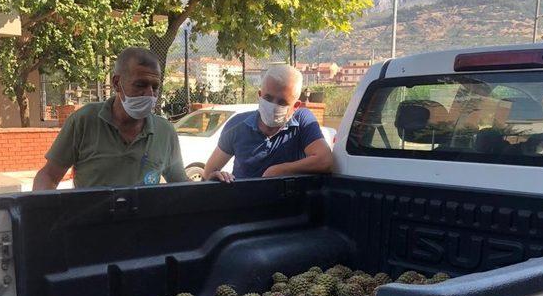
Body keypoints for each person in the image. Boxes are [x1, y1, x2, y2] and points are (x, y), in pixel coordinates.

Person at [33, 47, 187, 190]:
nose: (149, 94)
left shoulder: (165, 131)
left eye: (155, 87)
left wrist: (210, 184)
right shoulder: (84, 121)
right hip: (93, 219)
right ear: (116, 83)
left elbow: (181, 184)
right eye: (140, 85)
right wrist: (40, 210)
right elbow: (49, 176)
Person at [203, 64, 333, 183]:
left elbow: (324, 160)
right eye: (268, 98)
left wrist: (280, 170)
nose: (273, 105)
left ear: (296, 106)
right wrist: (217, 177)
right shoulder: (237, 125)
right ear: (259, 95)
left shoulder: (301, 121)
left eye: (282, 102)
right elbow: (209, 172)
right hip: (243, 204)